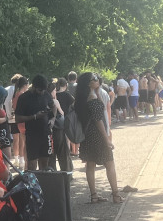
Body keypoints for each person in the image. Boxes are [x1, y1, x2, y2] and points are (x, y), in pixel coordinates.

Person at [76, 72, 124, 204]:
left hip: (87, 135)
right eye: (95, 79)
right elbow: (98, 120)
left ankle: (94, 195)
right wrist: (107, 139)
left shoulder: (81, 98)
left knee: (90, 165)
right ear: (90, 83)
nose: (98, 80)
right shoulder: (92, 98)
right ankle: (115, 194)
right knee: (109, 163)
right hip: (97, 135)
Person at [14, 74, 54, 171]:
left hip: (46, 133)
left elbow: (53, 106)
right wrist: (34, 116)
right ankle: (33, 184)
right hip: (32, 135)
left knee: (45, 163)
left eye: (44, 90)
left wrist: (52, 119)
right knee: (32, 165)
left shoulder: (46, 94)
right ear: (34, 87)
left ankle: (43, 184)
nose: (42, 92)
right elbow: (18, 118)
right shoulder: (24, 98)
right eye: (40, 90)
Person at [51, 78, 73, 172]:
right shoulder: (66, 95)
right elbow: (72, 104)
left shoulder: (53, 98)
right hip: (61, 123)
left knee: (51, 153)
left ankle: (52, 172)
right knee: (64, 145)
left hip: (50, 128)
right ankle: (67, 171)